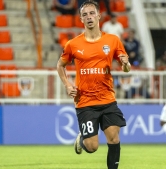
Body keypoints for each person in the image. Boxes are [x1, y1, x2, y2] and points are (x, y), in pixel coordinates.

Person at [56, 1, 130, 169]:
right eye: (85, 14)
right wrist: (67, 84)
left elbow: (126, 67)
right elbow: (60, 65)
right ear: (81, 19)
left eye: (91, 13)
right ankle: (83, 138)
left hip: (107, 98)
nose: (89, 17)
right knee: (92, 147)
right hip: (85, 101)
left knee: (114, 138)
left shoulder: (112, 40)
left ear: (99, 16)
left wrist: (126, 65)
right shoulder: (73, 44)